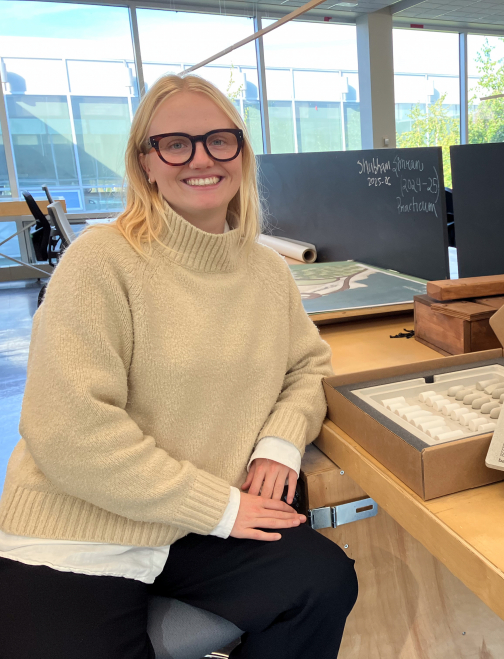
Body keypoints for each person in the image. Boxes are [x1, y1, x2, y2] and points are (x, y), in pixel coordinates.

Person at [0, 74, 357, 659]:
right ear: (145, 163)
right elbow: (68, 431)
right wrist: (220, 507)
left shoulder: (266, 271)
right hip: (85, 524)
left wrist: (280, 443)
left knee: (321, 582)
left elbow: (309, 367)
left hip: (196, 525)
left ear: (241, 153)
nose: (201, 159)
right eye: (175, 144)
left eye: (220, 140)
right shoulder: (100, 262)